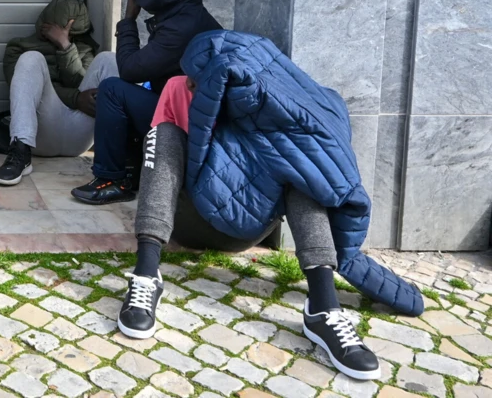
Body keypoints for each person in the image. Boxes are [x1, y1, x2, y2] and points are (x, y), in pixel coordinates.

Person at [118, 32, 424, 382]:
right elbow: (163, 162)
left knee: (301, 169)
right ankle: (146, 276)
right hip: (192, 218)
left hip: (249, 225)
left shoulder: (276, 109)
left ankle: (323, 309)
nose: (193, 87)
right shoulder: (178, 88)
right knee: (163, 135)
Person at [72, 0, 221, 205]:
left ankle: (112, 180)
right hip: (184, 113)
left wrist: (128, 19)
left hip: (187, 126)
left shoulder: (180, 29)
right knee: (127, 91)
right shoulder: (189, 16)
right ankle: (134, 171)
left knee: (112, 90)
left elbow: (129, 69)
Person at [0, 0, 118, 185]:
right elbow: (24, 93)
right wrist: (76, 98)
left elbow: (81, 83)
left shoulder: (84, 49)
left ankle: (118, 157)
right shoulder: (18, 48)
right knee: (31, 58)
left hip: (80, 134)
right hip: (42, 133)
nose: (69, 35)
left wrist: (66, 46)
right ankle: (20, 152)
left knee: (109, 59)